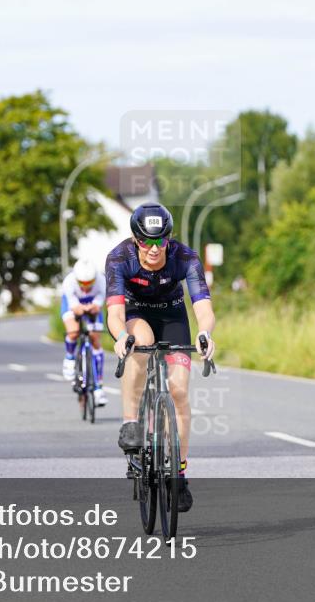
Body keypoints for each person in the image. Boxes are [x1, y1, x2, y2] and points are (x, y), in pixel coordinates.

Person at [105, 203, 216, 513]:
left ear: (170, 237)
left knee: (179, 390)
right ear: (135, 239)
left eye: (160, 241)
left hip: (172, 315)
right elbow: (115, 313)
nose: (153, 249)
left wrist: (204, 333)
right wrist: (120, 337)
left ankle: (179, 474)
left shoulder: (185, 258)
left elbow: (203, 308)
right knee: (141, 343)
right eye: (145, 241)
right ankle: (131, 423)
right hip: (135, 313)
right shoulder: (119, 258)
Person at [60, 259, 107, 407]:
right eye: (82, 284)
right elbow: (73, 306)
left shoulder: (101, 281)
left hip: (93, 303)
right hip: (72, 304)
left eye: (89, 284)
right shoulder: (69, 282)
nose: (85, 287)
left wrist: (95, 306)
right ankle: (69, 358)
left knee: (94, 338)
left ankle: (99, 386)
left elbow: (100, 300)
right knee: (73, 332)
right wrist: (79, 309)